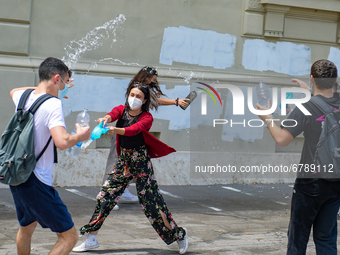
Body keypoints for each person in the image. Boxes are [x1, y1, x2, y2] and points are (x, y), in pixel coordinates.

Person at [73, 82, 188, 254]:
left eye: (138, 97)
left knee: (151, 205)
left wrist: (115, 129)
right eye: (132, 95)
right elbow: (113, 114)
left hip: (140, 162)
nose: (134, 99)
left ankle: (179, 235)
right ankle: (92, 238)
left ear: (145, 100)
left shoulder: (147, 118)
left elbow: (134, 130)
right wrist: (105, 119)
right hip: (124, 161)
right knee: (105, 196)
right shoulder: (122, 109)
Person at [9, 57, 91, 255]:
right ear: (57, 79)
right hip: (37, 181)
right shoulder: (53, 104)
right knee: (69, 236)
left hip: (17, 174)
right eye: (64, 82)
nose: (64, 87)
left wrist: (47, 85)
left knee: (26, 229)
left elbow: (13, 91)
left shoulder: (22, 96)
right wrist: (80, 136)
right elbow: (62, 142)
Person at [257, 59, 340, 255]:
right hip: (336, 182)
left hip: (310, 184)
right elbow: (328, 103)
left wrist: (268, 118)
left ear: (312, 79)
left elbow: (281, 139)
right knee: (326, 238)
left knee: (297, 240)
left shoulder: (306, 107)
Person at [105, 66, 190, 205]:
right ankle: (108, 193)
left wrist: (176, 102)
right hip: (121, 132)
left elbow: (155, 100)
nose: (155, 83)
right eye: (154, 80)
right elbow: (155, 101)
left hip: (133, 133)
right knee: (115, 163)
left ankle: (123, 191)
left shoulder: (145, 105)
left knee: (128, 165)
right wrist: (176, 102)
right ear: (146, 77)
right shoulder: (138, 90)